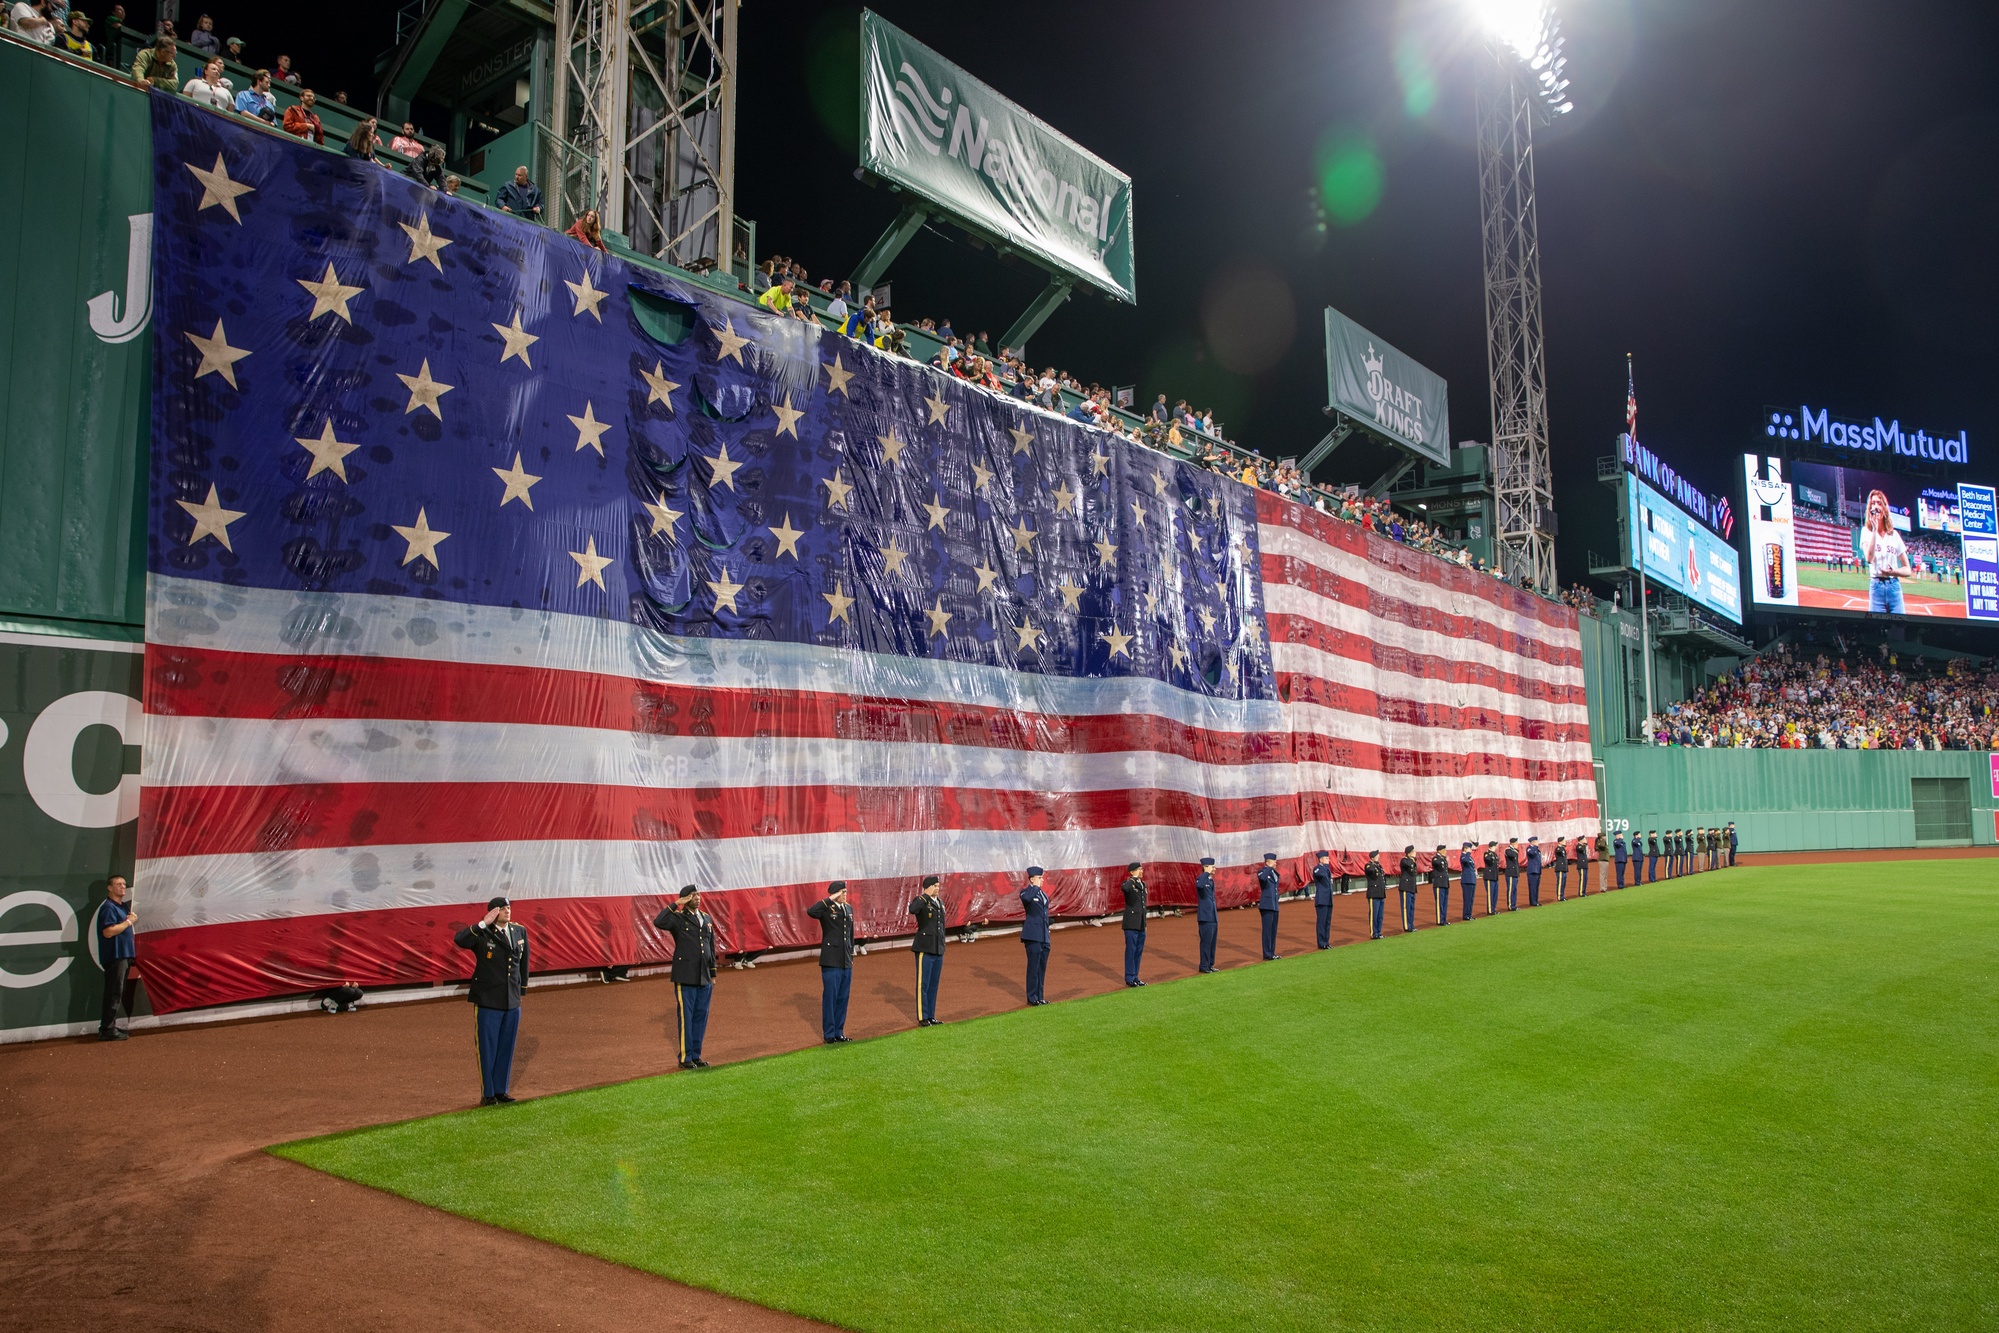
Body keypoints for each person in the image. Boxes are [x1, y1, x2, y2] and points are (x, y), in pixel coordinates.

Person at [452, 895, 528, 1104]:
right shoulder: (483, 933)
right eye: (502, 908)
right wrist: (482, 923)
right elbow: (460, 940)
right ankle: (488, 1094)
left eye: (508, 907)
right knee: (487, 1048)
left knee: (506, 1046)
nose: (507, 911)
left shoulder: (519, 931)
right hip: (488, 999)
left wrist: (520, 991)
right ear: (493, 912)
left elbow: (524, 964)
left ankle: (500, 1090)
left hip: (511, 1000)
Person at [652, 885, 719, 1068]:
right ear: (685, 899)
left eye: (698, 894)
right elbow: (658, 922)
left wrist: (713, 972)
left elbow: (710, 946)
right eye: (692, 895)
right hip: (686, 975)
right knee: (686, 1017)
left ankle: (696, 1055)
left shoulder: (706, 918)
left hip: (704, 975)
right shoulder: (678, 918)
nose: (697, 897)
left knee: (700, 1016)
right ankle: (685, 1057)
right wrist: (676, 904)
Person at [805, 880, 856, 1043]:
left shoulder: (848, 909)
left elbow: (850, 934)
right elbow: (811, 911)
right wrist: (830, 899)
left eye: (846, 892)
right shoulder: (827, 908)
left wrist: (851, 954)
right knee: (831, 997)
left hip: (845, 960)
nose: (845, 895)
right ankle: (829, 1034)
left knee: (843, 998)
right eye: (842, 892)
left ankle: (839, 1032)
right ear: (834, 893)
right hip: (831, 959)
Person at [95, 874, 137, 1040]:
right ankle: (106, 1029)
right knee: (113, 993)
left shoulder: (123, 907)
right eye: (118, 884)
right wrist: (129, 922)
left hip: (125, 955)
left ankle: (110, 1026)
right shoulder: (108, 908)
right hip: (115, 956)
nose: (122, 887)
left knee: (117, 993)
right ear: (109, 888)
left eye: (124, 884)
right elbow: (108, 931)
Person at [1860, 488, 1913, 615]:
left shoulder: (1894, 535)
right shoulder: (1866, 531)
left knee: (1899, 627)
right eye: (1873, 503)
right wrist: (1874, 529)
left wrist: (1894, 571)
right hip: (1876, 587)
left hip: (1894, 587)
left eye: (1879, 503)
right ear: (1869, 508)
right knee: (1875, 628)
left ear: (1884, 508)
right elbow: (1869, 558)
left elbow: (1907, 569)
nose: (1876, 506)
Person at [909, 874, 946, 1025]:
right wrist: (925, 895)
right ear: (928, 887)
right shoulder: (922, 901)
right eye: (935, 886)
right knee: (922, 984)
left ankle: (931, 1015)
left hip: (937, 948)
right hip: (925, 947)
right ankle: (922, 1017)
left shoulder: (940, 903)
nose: (937, 888)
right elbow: (913, 909)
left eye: (938, 886)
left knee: (933, 984)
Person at [1019, 866, 1051, 1004]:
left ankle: (1040, 996)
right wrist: (1035, 887)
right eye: (1039, 878)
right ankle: (1032, 997)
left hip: (1043, 935)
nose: (1042, 880)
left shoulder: (1043, 895)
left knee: (1041, 967)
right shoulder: (1027, 892)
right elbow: (1026, 899)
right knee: (1033, 967)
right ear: (1032, 879)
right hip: (1032, 935)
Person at [1120, 862, 1147, 987]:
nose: (1141, 871)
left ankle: (1135, 976)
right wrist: (1133, 879)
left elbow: (1142, 906)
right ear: (1132, 872)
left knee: (1138, 951)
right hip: (1131, 923)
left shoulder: (1143, 884)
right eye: (1139, 869)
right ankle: (1129, 977)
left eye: (1141, 869)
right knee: (1131, 950)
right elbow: (1124, 888)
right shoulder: (1130, 884)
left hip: (1141, 923)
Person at [1194, 857, 1219, 973]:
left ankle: (1210, 964)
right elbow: (1199, 886)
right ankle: (1204, 965)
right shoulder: (1201, 879)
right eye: (1212, 866)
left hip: (1212, 915)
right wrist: (1205, 873)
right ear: (1206, 867)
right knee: (1206, 941)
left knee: (1212, 942)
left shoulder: (1210, 880)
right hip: (1205, 916)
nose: (1214, 868)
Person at [1255, 852, 1281, 960]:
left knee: (1273, 930)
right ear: (1268, 862)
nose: (1276, 863)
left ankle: (1272, 952)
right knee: (1267, 930)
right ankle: (1267, 953)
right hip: (1266, 905)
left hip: (1274, 905)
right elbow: (1262, 878)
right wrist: (1268, 867)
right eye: (1274, 861)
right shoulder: (1263, 872)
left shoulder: (1275, 873)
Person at [1310, 851, 1335, 949]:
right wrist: (1325, 866)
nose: (1328, 860)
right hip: (1321, 899)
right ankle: (1321, 942)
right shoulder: (1318, 869)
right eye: (1326, 858)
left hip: (1328, 899)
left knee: (1327, 921)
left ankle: (1326, 941)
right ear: (1320, 860)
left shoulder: (1327, 869)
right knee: (1321, 921)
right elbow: (1320, 874)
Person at [1363, 851, 1387, 940]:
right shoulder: (1369, 865)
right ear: (1372, 857)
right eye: (1377, 856)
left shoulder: (1379, 866)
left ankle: (1378, 932)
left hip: (1380, 893)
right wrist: (1374, 863)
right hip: (1373, 893)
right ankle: (1373, 933)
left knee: (1380, 915)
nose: (1378, 857)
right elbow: (1370, 870)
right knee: (1374, 914)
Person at [1397, 847, 1420, 933]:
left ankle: (1411, 925)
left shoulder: (1412, 861)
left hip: (1411, 887)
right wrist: (1412, 858)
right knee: (1406, 907)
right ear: (1409, 853)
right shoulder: (1404, 860)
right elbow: (1409, 865)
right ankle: (1407, 926)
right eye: (1413, 851)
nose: (1415, 853)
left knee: (1411, 907)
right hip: (1406, 886)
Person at [1428, 846, 1451, 925]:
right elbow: (1436, 863)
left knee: (1444, 902)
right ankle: (1440, 920)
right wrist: (1441, 857)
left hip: (1444, 882)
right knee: (1440, 903)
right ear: (1440, 851)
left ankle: (1444, 919)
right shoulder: (1436, 858)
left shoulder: (1443, 859)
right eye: (1444, 850)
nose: (1446, 851)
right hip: (1439, 883)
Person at [1458, 841, 1478, 921]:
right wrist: (1467, 853)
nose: (1471, 850)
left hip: (1472, 879)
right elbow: (1465, 861)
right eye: (1470, 848)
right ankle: (1466, 915)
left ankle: (1469, 914)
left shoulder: (1469, 857)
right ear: (1466, 848)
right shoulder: (1463, 856)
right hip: (1467, 880)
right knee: (1467, 898)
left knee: (1471, 898)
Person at [1481, 840, 1501, 916]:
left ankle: (1493, 908)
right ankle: (1490, 910)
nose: (1496, 847)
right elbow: (1488, 859)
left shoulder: (1494, 854)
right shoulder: (1487, 853)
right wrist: (1490, 852)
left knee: (1495, 894)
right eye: (1495, 846)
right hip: (1489, 876)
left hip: (1494, 876)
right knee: (1490, 894)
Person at [1551, 836, 1569, 902]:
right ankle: (1560, 896)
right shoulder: (1559, 848)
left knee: (1563, 883)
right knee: (1560, 883)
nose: (1565, 842)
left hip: (1563, 868)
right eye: (1564, 841)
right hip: (1560, 868)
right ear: (1560, 842)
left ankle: (1562, 895)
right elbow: (1558, 851)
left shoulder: (1563, 848)